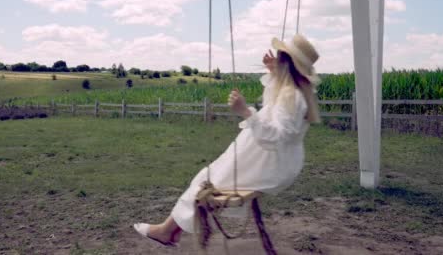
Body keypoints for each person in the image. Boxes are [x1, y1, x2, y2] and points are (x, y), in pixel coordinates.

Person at [133, 34, 321, 246]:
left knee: (206, 182)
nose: (275, 59)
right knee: (205, 176)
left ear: (288, 62)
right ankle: (170, 231)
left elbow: (278, 137)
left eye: (280, 56)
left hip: (268, 162)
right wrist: (274, 72)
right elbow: (276, 110)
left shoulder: (290, 95)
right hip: (270, 159)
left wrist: (246, 112)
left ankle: (167, 232)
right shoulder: (294, 91)